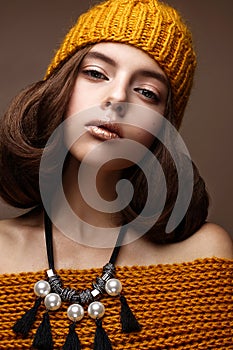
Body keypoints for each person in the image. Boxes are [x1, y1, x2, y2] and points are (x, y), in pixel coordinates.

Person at [0, 0, 232, 349]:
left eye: (147, 92)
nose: (117, 97)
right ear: (59, 87)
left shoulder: (206, 255)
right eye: (96, 73)